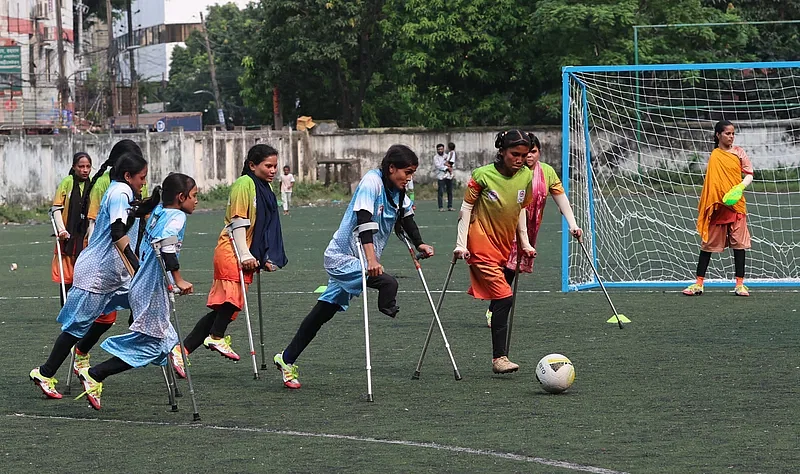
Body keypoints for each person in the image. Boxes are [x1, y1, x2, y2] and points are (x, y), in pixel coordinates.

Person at [274, 144, 434, 389]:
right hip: (342, 257)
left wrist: (420, 243)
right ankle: (388, 306)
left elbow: (407, 218)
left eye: (412, 173)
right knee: (388, 282)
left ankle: (286, 359)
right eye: (407, 172)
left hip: (361, 259)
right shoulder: (372, 182)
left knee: (321, 314)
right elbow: (364, 221)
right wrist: (371, 261)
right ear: (392, 168)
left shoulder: (398, 191)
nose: (409, 178)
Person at [30, 151, 151, 399]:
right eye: (142, 177)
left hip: (113, 274)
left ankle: (94, 359)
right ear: (128, 175)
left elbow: (128, 219)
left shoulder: (124, 190)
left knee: (141, 306)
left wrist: (153, 202)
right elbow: (118, 230)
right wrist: (136, 266)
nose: (143, 182)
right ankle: (46, 372)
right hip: (98, 273)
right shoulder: (120, 192)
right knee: (76, 327)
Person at [75, 173, 197, 410]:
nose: (196, 201)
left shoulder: (160, 210)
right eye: (194, 196)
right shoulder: (177, 217)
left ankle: (174, 353)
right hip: (151, 287)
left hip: (141, 283)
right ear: (181, 197)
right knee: (151, 345)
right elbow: (167, 248)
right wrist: (179, 280)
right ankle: (96, 374)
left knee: (164, 337)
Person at [181, 144, 287, 362]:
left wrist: (261, 258)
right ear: (252, 165)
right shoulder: (244, 184)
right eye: (268, 166)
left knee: (223, 311)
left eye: (275, 166)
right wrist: (245, 254)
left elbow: (262, 226)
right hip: (232, 249)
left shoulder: (265, 188)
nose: (273, 170)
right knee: (230, 302)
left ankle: (180, 352)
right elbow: (238, 221)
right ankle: (216, 336)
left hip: (245, 251)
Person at [453, 130, 536, 374]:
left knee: (502, 296)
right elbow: (466, 209)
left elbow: (521, 208)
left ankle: (500, 357)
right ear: (502, 151)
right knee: (504, 297)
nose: (520, 159)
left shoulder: (526, 176)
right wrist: (461, 244)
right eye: (514, 154)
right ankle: (499, 359)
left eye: (524, 155)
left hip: (502, 246)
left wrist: (525, 242)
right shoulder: (482, 175)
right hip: (479, 245)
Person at [484, 134, 582, 327]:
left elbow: (561, 198)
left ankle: (496, 305)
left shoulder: (546, 172)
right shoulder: (511, 171)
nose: (528, 156)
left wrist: (573, 224)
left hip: (530, 226)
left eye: (533, 152)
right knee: (507, 266)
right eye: (525, 152)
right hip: (505, 224)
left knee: (512, 268)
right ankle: (496, 307)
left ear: (539, 152)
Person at [70, 140, 146, 376]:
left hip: (124, 253)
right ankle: (81, 355)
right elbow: (99, 223)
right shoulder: (110, 185)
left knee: (136, 304)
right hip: (104, 258)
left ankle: (144, 344)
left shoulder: (132, 182)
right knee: (103, 317)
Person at [683, 120, 754, 297]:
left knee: (739, 245)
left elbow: (749, 174)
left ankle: (740, 284)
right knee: (707, 246)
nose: (731, 137)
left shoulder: (739, 153)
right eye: (727, 133)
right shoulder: (715, 155)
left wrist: (739, 187)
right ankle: (699, 283)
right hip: (717, 207)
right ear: (718, 135)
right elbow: (712, 183)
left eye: (733, 134)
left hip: (736, 206)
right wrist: (716, 200)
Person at [51, 152, 93, 306]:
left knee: (84, 276)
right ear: (74, 167)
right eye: (81, 166)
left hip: (86, 237)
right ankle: (66, 308)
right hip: (68, 236)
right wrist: (61, 230)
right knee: (67, 276)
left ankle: (83, 309)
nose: (85, 170)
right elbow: (56, 208)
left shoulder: (93, 185)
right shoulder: (67, 182)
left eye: (88, 166)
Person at [434, 143, 454, 211]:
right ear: (437, 150)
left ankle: (450, 206)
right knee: (441, 192)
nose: (440, 150)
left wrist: (450, 168)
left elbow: (451, 163)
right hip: (441, 176)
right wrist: (446, 168)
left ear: (443, 149)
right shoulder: (435, 157)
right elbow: (438, 166)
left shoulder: (447, 155)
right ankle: (441, 207)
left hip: (448, 176)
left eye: (441, 149)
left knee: (450, 191)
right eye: (439, 149)